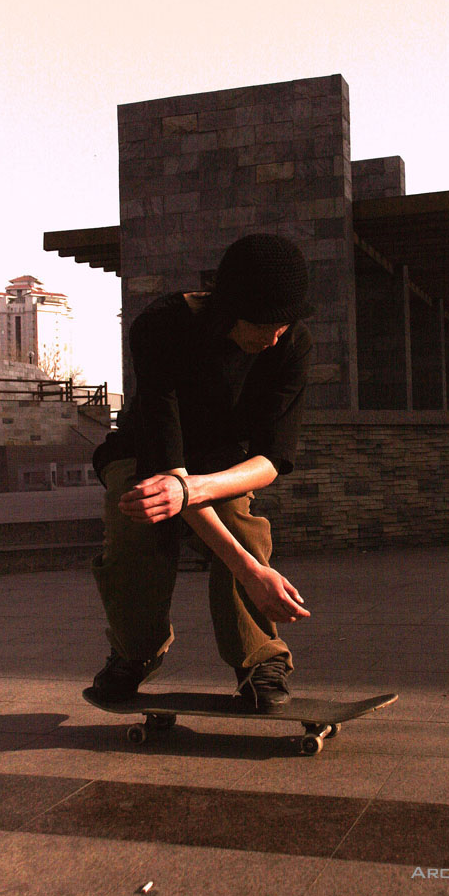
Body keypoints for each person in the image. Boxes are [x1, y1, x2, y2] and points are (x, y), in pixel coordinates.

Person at [90, 234, 314, 709]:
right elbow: (165, 468)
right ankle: (134, 651)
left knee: (237, 517)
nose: (273, 338)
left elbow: (272, 459)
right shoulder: (162, 326)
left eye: (282, 325)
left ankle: (259, 659)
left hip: (219, 458)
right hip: (145, 448)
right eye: (263, 325)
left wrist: (197, 493)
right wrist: (250, 571)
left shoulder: (292, 343)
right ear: (230, 309)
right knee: (137, 512)